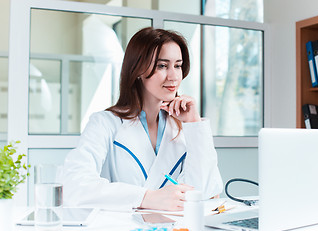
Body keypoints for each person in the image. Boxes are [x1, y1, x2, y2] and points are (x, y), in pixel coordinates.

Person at [62, 27, 223, 211]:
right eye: (162, 66)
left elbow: (207, 191)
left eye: (177, 65)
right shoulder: (105, 123)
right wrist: (146, 198)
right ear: (138, 69)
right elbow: (74, 187)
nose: (173, 76)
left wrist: (194, 125)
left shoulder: (183, 127)